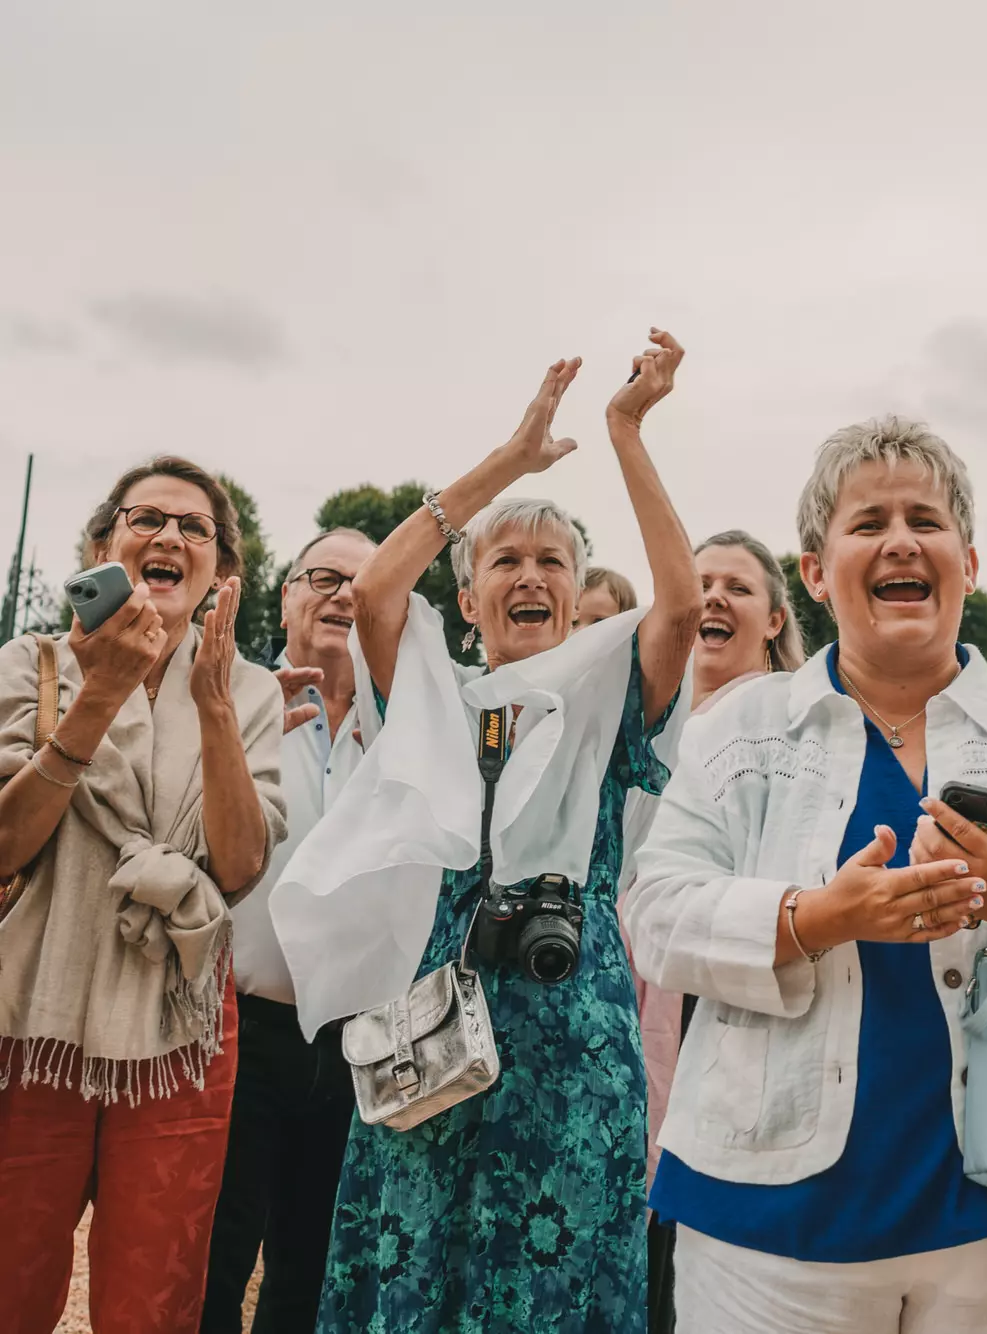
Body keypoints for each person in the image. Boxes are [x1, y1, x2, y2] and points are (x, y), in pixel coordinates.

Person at [624, 415, 987, 1334]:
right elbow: (657, 912)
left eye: (926, 519)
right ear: (813, 571)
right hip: (767, 1225)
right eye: (868, 521)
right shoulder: (737, 729)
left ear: (969, 559)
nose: (901, 540)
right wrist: (815, 916)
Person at [270, 329, 702, 1333]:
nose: (529, 572)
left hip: (570, 1022)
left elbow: (678, 606)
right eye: (504, 559)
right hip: (432, 1009)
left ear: (574, 592)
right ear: (467, 600)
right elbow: (377, 590)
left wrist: (624, 430)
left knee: (557, 1269)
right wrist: (512, 460)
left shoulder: (603, 694)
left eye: (552, 558)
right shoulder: (428, 694)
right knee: (419, 1252)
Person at [0, 457, 286, 1334]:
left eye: (194, 528)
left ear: (221, 577)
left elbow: (239, 871)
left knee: (153, 1302)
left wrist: (216, 712)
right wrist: (102, 692)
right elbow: (7, 842)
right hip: (32, 1022)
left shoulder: (249, 687)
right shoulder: (35, 661)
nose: (168, 536)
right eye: (146, 518)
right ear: (104, 546)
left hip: (179, 1029)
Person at [620, 530, 805, 1334]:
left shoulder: (804, 722)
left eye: (738, 586)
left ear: (774, 619)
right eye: (701, 585)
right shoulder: (647, 720)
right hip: (640, 989)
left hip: (750, 985)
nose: (715, 599)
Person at [201, 528, 380, 1334]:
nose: (343, 594)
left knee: (312, 1267)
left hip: (359, 1042)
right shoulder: (235, 697)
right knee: (215, 1253)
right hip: (241, 1025)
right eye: (324, 577)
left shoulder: (408, 723)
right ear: (286, 594)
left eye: (364, 583)